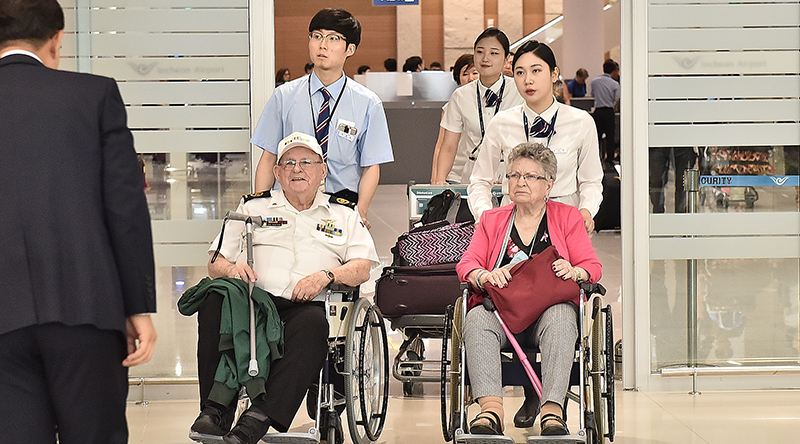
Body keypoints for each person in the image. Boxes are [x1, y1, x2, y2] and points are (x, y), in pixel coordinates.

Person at [0, 1, 158, 443]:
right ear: (56, 39)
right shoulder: (93, 95)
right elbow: (124, 209)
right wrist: (137, 307)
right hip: (86, 307)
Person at [190, 132, 379, 444]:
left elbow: (361, 266)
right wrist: (233, 269)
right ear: (277, 173)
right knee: (213, 301)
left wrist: (326, 275)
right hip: (253, 301)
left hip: (306, 306)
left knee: (314, 325)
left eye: (306, 162)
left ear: (322, 171)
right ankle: (215, 411)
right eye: (289, 163)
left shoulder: (344, 212)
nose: (297, 169)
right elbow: (215, 261)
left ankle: (257, 418)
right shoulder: (253, 207)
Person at [457, 143, 602, 436]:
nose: (520, 182)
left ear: (549, 184)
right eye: (514, 175)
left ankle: (552, 412)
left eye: (530, 176)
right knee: (475, 318)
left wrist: (575, 271)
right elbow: (467, 264)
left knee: (562, 316)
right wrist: (484, 275)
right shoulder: (492, 219)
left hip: (547, 313)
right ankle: (490, 411)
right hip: (500, 311)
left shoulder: (567, 217)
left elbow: (592, 267)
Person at [251, 8, 393, 230]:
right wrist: (259, 208)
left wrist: (361, 211)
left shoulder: (367, 103)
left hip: (341, 206)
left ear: (350, 49)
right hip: (288, 206)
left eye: (333, 38)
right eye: (317, 36)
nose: (322, 45)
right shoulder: (284, 96)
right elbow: (269, 158)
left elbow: (371, 166)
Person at [468, 40, 603, 235]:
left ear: (554, 74)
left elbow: (591, 180)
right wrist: (484, 214)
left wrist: (586, 210)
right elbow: (480, 180)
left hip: (564, 224)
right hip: (513, 224)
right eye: (520, 72)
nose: (527, 80)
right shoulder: (501, 122)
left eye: (536, 71)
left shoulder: (580, 122)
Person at [432, 28, 524, 185]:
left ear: (506, 59)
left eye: (494, 53)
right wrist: (440, 179)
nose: (485, 58)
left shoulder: (519, 91)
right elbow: (449, 145)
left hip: (512, 177)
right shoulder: (461, 96)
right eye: (480, 52)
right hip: (472, 177)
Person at [430, 53, 479, 182]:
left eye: (475, 73)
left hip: (482, 173)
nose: (470, 78)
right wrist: (436, 178)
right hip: (456, 173)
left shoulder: (491, 104)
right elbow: (441, 145)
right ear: (458, 78)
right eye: (465, 74)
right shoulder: (451, 106)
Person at [590, 59, 620, 166]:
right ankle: (609, 158)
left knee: (597, 136)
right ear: (614, 71)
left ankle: (596, 157)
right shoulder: (615, 84)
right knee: (610, 136)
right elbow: (617, 99)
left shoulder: (594, 81)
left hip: (598, 111)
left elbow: (593, 94)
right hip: (608, 112)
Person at [649, 147, 697, 213]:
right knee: (656, 181)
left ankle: (681, 214)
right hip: (658, 145)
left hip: (683, 145)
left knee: (683, 182)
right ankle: (658, 213)